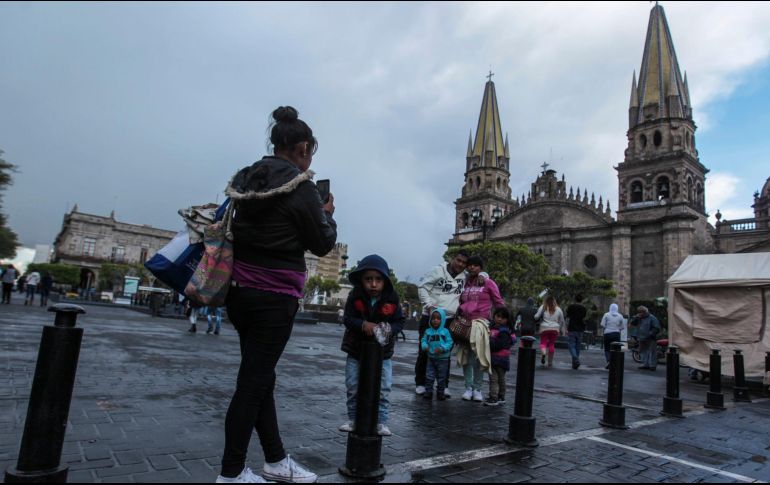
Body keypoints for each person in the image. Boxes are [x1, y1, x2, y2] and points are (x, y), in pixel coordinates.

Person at [216, 106, 336, 484]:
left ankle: (275, 460)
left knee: (259, 377)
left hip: (239, 293)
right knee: (251, 385)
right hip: (273, 297)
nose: (310, 160)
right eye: (311, 153)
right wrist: (327, 214)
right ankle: (231, 474)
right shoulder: (300, 188)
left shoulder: (249, 179)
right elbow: (322, 244)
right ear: (302, 148)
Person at [339, 254, 404, 437]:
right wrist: (362, 325)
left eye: (378, 279)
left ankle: (381, 422)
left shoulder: (392, 298)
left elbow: (400, 321)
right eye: (368, 279)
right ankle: (353, 419)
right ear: (361, 280)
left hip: (383, 353)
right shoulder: (355, 295)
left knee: (383, 388)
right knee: (353, 386)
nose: (373, 284)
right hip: (356, 350)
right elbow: (348, 318)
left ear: (385, 281)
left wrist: (389, 329)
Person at [415, 250, 471, 398]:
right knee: (425, 350)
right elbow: (422, 287)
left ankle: (443, 385)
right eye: (458, 260)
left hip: (450, 320)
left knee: (445, 353)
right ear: (452, 259)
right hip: (431, 317)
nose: (460, 264)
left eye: (464, 263)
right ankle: (420, 383)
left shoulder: (465, 277)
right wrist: (428, 305)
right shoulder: (437, 271)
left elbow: (481, 276)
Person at [457, 255, 505, 402]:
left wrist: (505, 320)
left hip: (481, 323)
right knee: (466, 358)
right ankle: (468, 387)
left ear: (480, 267)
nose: (472, 267)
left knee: (479, 358)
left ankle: (477, 389)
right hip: (465, 323)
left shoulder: (488, 283)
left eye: (475, 265)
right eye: (470, 265)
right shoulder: (465, 283)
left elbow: (498, 301)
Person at [485, 306, 515, 407]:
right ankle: (501, 396)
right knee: (500, 378)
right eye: (497, 316)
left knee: (495, 378)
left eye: (502, 317)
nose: (499, 319)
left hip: (498, 358)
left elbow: (498, 345)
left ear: (506, 320)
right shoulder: (494, 328)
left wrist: (489, 341)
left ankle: (494, 397)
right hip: (501, 359)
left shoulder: (504, 331)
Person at [420, 308, 454, 401]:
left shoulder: (445, 331)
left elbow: (450, 342)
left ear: (442, 320)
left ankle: (440, 392)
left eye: (438, 318)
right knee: (429, 376)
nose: (435, 320)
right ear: (430, 319)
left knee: (441, 377)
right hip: (431, 358)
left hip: (443, 359)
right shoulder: (428, 331)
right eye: (433, 318)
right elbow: (423, 340)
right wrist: (425, 346)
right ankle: (428, 391)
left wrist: (442, 348)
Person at [535, 296, 565, 368]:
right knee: (551, 344)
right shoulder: (558, 309)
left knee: (543, 343)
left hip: (544, 328)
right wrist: (560, 329)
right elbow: (562, 320)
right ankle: (550, 362)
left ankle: (544, 354)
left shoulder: (543, 307)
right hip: (555, 329)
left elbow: (536, 317)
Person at [630, 306, 661, 371]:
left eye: (641, 312)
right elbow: (633, 323)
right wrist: (635, 318)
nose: (640, 314)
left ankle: (652, 365)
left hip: (650, 338)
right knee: (643, 351)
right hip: (641, 337)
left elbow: (657, 328)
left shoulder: (652, 318)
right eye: (639, 312)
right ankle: (645, 364)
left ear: (645, 312)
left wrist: (650, 334)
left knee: (652, 351)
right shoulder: (639, 318)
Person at [600, 303, 626, 369]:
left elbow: (602, 324)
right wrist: (617, 328)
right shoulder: (620, 316)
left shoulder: (606, 314)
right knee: (616, 349)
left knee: (607, 348)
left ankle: (609, 361)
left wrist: (607, 327)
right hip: (616, 334)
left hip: (607, 333)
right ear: (617, 308)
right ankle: (614, 362)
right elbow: (623, 327)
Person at [565, 294, 588, 370]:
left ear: (575, 299)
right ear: (581, 300)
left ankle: (575, 359)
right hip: (580, 329)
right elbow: (584, 318)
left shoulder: (571, 307)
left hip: (572, 328)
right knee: (577, 346)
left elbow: (567, 316)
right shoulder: (584, 308)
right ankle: (575, 362)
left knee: (571, 345)